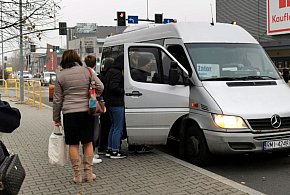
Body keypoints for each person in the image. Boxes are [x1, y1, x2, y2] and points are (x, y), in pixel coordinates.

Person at [53, 50, 104, 184]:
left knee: (73, 144)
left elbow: (57, 100)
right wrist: (92, 95)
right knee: (87, 142)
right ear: (77, 59)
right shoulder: (87, 71)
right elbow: (101, 87)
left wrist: (56, 118)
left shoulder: (60, 76)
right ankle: (89, 174)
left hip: (69, 114)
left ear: (64, 60)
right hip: (86, 112)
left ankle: (77, 176)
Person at [103, 54, 126, 159]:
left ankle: (109, 149)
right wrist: (124, 91)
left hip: (109, 103)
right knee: (118, 128)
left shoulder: (110, 71)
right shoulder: (117, 72)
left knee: (113, 127)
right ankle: (115, 151)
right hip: (117, 103)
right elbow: (114, 87)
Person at [84, 55, 102, 164]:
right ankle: (91, 154)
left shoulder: (84, 72)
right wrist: (97, 95)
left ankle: (89, 154)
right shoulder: (92, 73)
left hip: (82, 105)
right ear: (95, 64)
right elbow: (101, 87)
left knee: (88, 130)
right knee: (94, 129)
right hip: (92, 102)